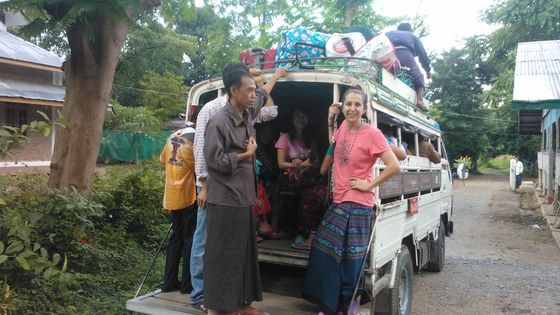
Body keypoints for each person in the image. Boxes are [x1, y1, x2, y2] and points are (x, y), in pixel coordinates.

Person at [190, 65, 286, 310]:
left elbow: (264, 94)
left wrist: (273, 77)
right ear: (234, 90)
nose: (254, 94)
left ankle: (241, 303)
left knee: (242, 254)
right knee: (222, 256)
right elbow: (215, 161)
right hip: (224, 199)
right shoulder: (218, 121)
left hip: (243, 198)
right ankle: (216, 306)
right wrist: (246, 155)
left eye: (254, 90)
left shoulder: (247, 111)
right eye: (249, 90)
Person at [302, 87, 401, 314]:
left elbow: (394, 165)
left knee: (351, 258)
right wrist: (330, 122)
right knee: (325, 250)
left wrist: (369, 185)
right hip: (340, 199)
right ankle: (331, 303)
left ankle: (349, 303)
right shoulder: (341, 127)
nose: (352, 108)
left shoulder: (373, 134)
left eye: (357, 105)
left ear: (364, 109)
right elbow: (337, 149)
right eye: (348, 104)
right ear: (342, 107)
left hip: (359, 203)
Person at [273, 108, 329, 249]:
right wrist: (297, 165)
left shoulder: (310, 140)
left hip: (307, 177)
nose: (300, 119)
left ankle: (310, 232)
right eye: (297, 116)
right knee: (309, 191)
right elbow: (280, 164)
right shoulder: (285, 137)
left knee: (319, 191)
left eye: (304, 115)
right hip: (288, 176)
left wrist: (306, 165)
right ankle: (303, 233)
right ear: (292, 119)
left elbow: (315, 162)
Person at [159, 127, 198, 294]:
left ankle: (169, 282)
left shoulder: (172, 136)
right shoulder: (195, 139)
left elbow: (163, 160)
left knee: (176, 238)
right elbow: (201, 168)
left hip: (173, 195)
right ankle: (187, 286)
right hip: (189, 195)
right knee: (190, 239)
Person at [385, 23, 432, 111]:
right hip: (403, 53)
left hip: (387, 53)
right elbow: (423, 56)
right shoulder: (411, 36)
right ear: (410, 30)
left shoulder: (388, 33)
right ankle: (420, 101)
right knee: (419, 76)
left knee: (386, 71)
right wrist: (428, 71)